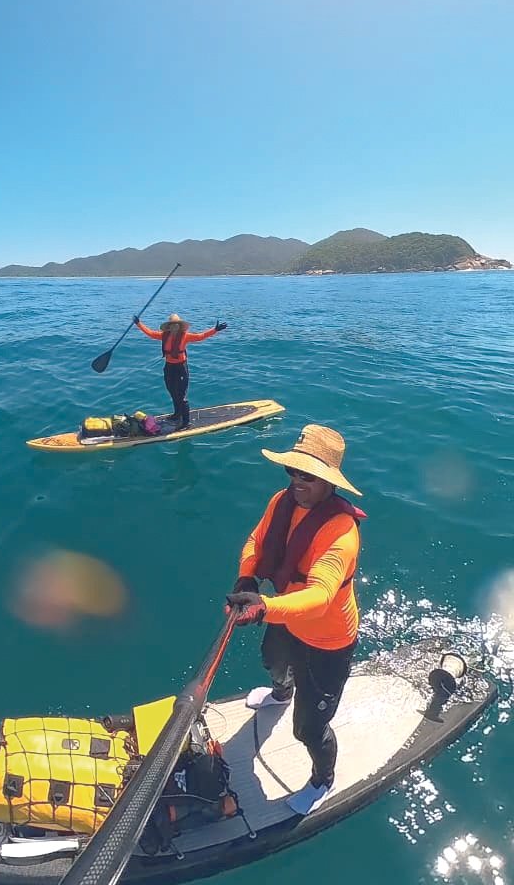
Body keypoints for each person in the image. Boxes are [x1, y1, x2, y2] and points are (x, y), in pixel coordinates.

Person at [225, 424, 364, 817]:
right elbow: (257, 538)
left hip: (328, 639)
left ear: (328, 481)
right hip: (287, 617)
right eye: (293, 472)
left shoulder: (341, 532)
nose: (298, 481)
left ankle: (323, 780)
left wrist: (264, 607)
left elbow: (320, 597)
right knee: (273, 663)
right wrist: (246, 577)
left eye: (309, 475)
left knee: (308, 728)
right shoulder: (280, 501)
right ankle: (280, 695)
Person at [132, 312, 227, 428]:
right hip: (169, 367)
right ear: (169, 326)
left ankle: (186, 423)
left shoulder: (185, 336)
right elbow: (150, 333)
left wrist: (215, 330)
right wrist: (138, 323)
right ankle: (177, 414)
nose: (174, 327)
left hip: (181, 368)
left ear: (180, 326)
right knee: (172, 392)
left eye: (177, 324)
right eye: (172, 325)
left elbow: (200, 337)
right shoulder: (164, 335)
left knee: (182, 396)